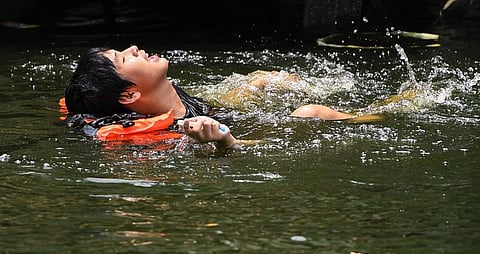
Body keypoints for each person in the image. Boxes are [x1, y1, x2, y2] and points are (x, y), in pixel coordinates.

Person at [64, 45, 353, 149]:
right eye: (124, 59)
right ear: (129, 95)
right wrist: (226, 141)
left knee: (262, 78)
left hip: (216, 109)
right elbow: (256, 146)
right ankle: (382, 112)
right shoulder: (177, 135)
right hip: (240, 131)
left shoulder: (170, 97)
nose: (134, 49)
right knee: (310, 112)